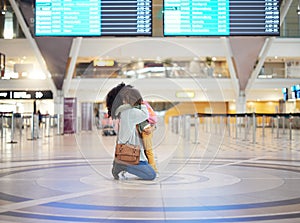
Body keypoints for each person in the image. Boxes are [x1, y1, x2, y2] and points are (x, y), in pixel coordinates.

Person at [106, 84, 156, 180]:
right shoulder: (129, 112)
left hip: (129, 150)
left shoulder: (125, 111)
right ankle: (122, 165)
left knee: (148, 168)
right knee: (151, 175)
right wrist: (141, 103)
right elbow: (145, 114)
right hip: (131, 153)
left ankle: (120, 164)